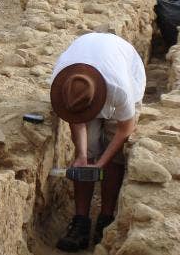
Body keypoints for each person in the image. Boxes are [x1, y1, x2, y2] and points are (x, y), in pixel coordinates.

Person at [50, 32, 146, 252]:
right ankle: (81, 222)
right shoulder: (65, 85)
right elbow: (77, 118)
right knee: (85, 155)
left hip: (124, 71)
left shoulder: (120, 89)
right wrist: (84, 155)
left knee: (114, 157)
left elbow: (125, 129)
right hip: (91, 71)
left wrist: (102, 162)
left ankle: (106, 218)